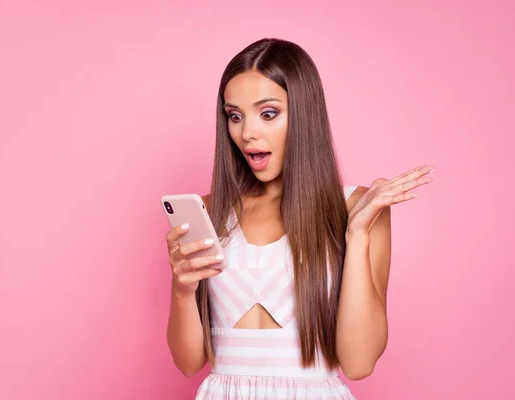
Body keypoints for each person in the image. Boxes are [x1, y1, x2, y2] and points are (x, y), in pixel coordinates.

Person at [165, 37, 434, 399]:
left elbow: (358, 363)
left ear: (304, 113)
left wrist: (356, 234)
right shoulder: (209, 210)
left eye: (268, 113)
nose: (247, 133)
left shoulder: (357, 207)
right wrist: (182, 289)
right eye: (235, 116)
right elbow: (188, 363)